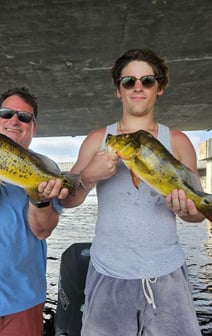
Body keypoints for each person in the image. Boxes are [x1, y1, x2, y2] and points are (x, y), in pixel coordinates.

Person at [62, 49, 204, 335]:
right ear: (118, 90)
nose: (138, 87)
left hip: (167, 275)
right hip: (107, 273)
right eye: (129, 81)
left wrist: (187, 211)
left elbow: (197, 213)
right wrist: (88, 176)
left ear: (159, 87)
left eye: (147, 80)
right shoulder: (97, 139)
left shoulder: (177, 141)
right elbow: (68, 199)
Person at [0, 87, 69, 335]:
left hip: (23, 302)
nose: (14, 121)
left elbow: (42, 231)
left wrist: (41, 200)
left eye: (24, 116)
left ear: (33, 127)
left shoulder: (46, 167)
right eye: (7, 113)